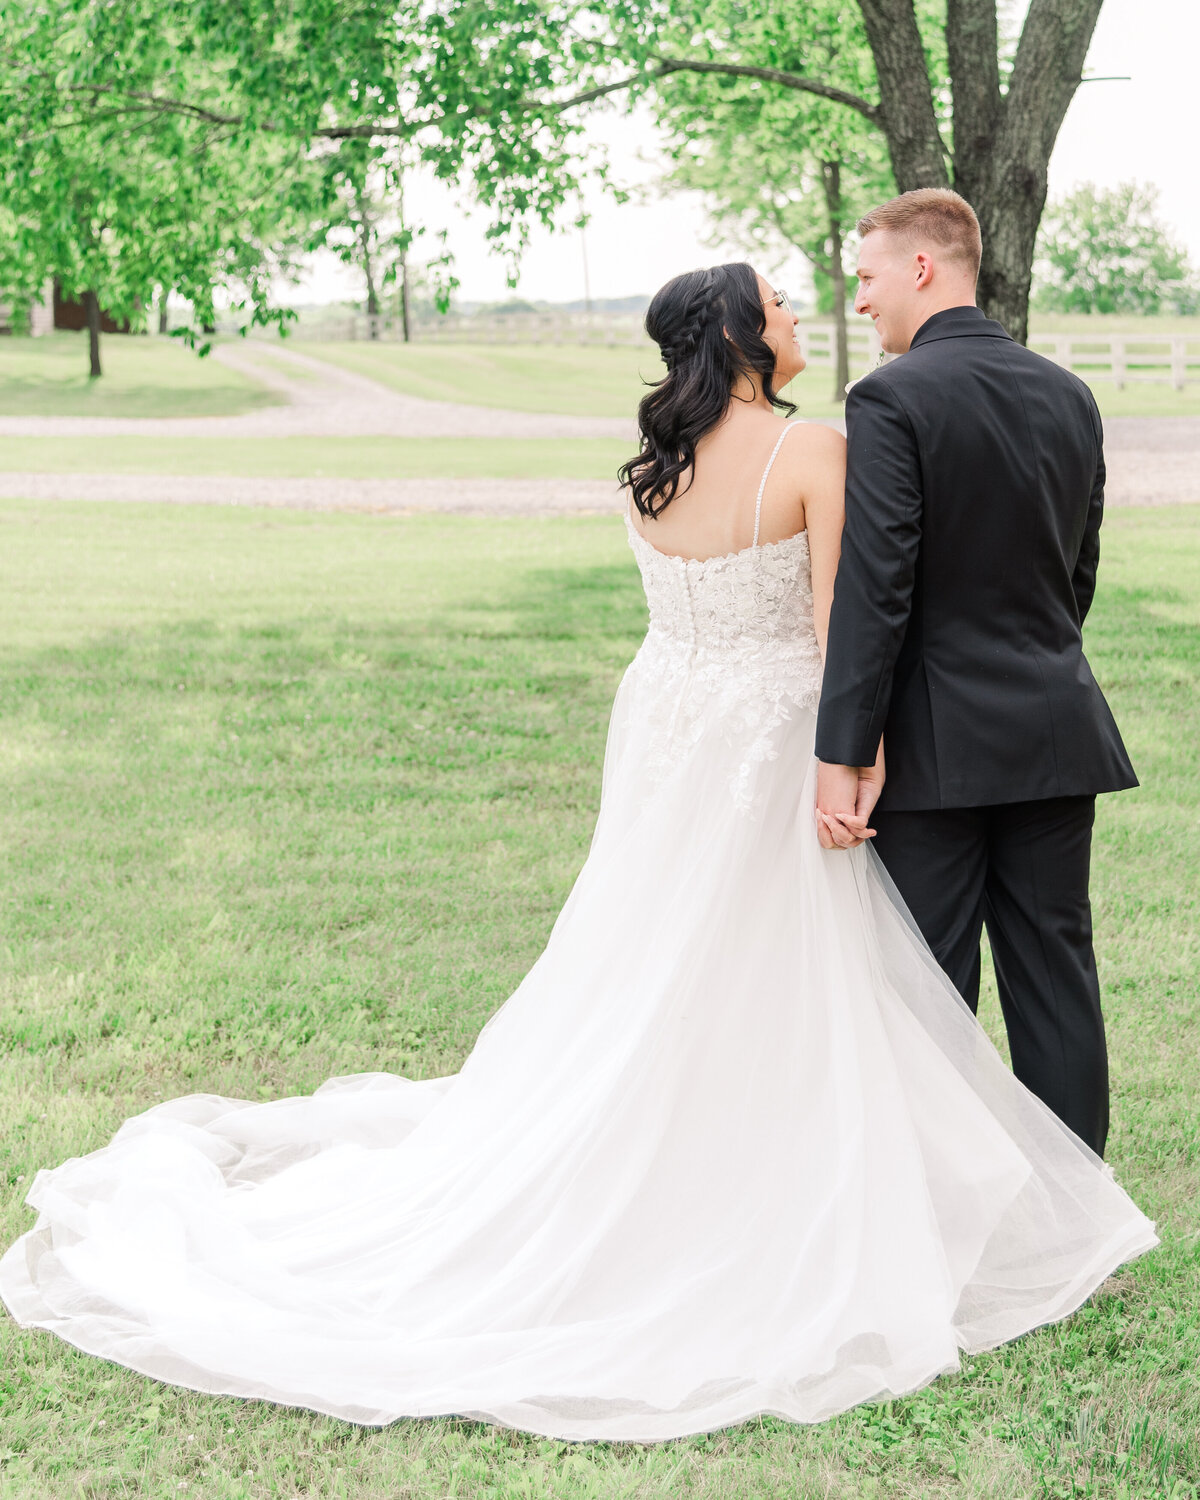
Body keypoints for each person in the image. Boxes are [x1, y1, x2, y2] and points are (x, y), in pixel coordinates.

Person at [0, 262, 1155, 1445]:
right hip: (773, 744)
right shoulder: (813, 454)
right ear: (745, 334)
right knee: (801, 973)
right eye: (786, 304)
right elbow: (836, 628)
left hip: (676, 734)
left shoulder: (648, 472)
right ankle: (837, 1194)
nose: (807, 313)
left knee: (664, 964)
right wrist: (852, 754)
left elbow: (697, 624)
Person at [814, 189, 1136, 1159]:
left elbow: (877, 588)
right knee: (1056, 975)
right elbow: (1074, 575)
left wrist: (843, 750)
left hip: (933, 749)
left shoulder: (889, 397)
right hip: (1052, 732)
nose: (859, 302)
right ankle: (1080, 1215)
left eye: (866, 278)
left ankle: (946, 1222)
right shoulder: (1067, 394)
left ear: (923, 267)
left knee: (931, 988)